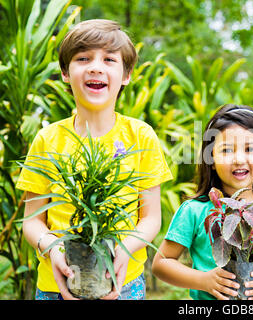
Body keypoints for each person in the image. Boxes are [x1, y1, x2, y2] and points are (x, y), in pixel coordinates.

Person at [16, 19, 172, 300]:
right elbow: (32, 220)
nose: (96, 66)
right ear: (65, 72)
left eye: (109, 59)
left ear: (126, 75)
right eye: (83, 58)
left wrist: (123, 248)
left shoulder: (140, 136)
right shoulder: (48, 139)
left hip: (123, 284)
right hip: (56, 286)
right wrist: (53, 248)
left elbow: (150, 218)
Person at [152, 104, 253, 300]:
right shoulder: (194, 211)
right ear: (211, 159)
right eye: (226, 150)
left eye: (250, 149)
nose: (239, 159)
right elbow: (161, 264)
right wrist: (204, 281)